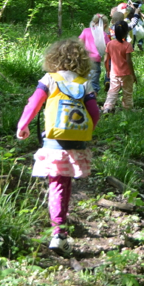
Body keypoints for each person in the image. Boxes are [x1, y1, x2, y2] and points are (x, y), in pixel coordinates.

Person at [16, 39, 101, 255]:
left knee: (57, 185)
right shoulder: (85, 83)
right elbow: (95, 113)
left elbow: (34, 103)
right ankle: (60, 230)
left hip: (54, 142)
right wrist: (85, 131)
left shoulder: (49, 79)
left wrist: (23, 125)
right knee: (65, 184)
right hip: (77, 142)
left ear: (54, 58)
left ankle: (58, 233)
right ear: (82, 60)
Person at [103, 22, 135, 113]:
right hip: (127, 73)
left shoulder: (110, 44)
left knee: (112, 91)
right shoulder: (127, 45)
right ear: (126, 33)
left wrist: (107, 71)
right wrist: (133, 74)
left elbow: (106, 60)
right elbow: (129, 61)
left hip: (114, 73)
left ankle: (108, 108)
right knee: (127, 91)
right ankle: (128, 109)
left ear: (115, 32)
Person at [78, 14, 110, 93]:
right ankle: (93, 101)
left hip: (84, 59)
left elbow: (79, 44)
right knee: (94, 83)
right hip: (95, 60)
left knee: (82, 80)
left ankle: (82, 99)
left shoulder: (86, 31)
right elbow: (108, 48)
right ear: (104, 25)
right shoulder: (104, 34)